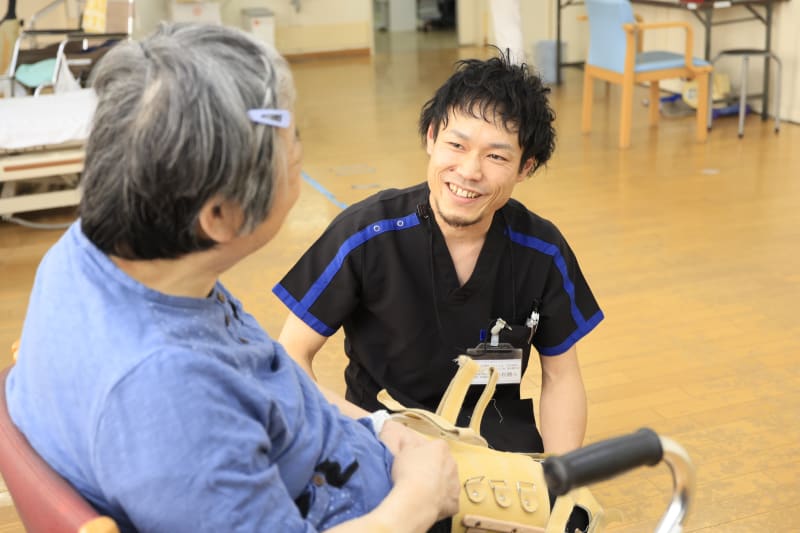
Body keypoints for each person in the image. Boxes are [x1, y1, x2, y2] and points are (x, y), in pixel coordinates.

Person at [6, 23, 460, 533]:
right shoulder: (167, 398)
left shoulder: (100, 256)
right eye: (292, 147)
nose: (299, 150)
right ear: (220, 216)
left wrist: (379, 428)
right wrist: (419, 499)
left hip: (366, 463)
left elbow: (263, 377)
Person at [275, 52, 603, 454]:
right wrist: (361, 429)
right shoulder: (366, 234)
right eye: (456, 145)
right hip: (382, 440)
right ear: (431, 138)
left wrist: (560, 478)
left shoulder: (542, 250)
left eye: (496, 156)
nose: (469, 171)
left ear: (525, 168)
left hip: (493, 446)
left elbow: (561, 378)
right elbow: (291, 355)